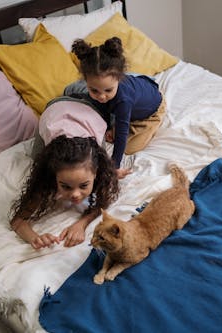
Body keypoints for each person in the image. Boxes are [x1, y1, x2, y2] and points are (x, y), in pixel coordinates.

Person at [10, 99, 119, 250]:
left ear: (96, 173)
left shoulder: (98, 164)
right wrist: (35, 238)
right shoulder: (47, 175)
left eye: (83, 185)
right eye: (66, 186)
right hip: (54, 109)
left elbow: (104, 201)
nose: (75, 195)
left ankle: (76, 95)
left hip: (87, 111)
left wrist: (81, 224)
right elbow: (17, 221)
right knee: (35, 156)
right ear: (54, 176)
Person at [65, 37, 166, 179]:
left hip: (152, 108)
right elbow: (103, 103)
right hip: (137, 87)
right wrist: (107, 125)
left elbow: (122, 134)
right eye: (94, 90)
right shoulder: (105, 91)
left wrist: (114, 166)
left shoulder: (124, 101)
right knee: (92, 99)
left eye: (108, 90)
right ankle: (101, 99)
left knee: (130, 147)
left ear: (119, 78)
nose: (101, 96)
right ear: (86, 80)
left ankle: (115, 111)